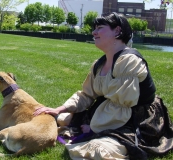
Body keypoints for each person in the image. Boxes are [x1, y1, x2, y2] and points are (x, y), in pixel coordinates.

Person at [34, 12, 173, 160]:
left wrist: (94, 128)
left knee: (98, 152)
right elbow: (87, 95)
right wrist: (59, 109)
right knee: (62, 117)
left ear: (118, 31)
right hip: (109, 111)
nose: (94, 32)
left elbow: (122, 105)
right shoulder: (99, 65)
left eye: (100, 27)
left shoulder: (129, 61)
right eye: (94, 28)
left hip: (136, 118)